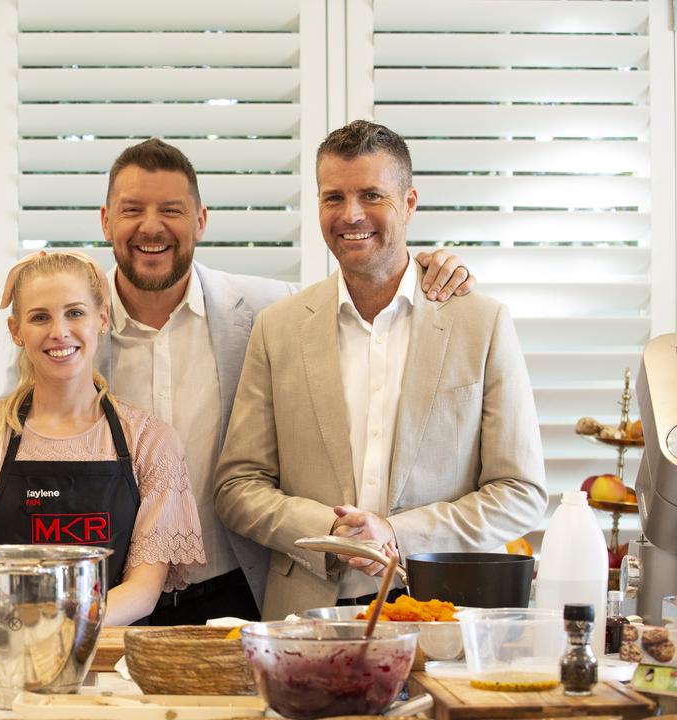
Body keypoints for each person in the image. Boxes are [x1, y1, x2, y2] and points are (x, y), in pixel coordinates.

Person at [97, 138, 477, 625]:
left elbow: (367, 280)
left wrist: (436, 267)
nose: (152, 226)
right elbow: (24, 415)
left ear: (200, 221)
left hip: (235, 589)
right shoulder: (72, 321)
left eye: (171, 209)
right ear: (107, 220)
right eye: (132, 210)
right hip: (111, 590)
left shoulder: (266, 311)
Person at [213, 120, 547, 620]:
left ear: (409, 203)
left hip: (446, 612)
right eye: (333, 198)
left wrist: (395, 534)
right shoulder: (277, 328)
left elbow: (520, 493)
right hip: (307, 615)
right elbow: (237, 487)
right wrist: (331, 529)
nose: (351, 215)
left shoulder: (482, 322)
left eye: (372, 195)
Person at [0, 251, 205, 636]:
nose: (59, 331)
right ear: (16, 330)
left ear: (102, 320)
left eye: (75, 313)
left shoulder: (150, 442)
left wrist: (50, 630)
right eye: (40, 317)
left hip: (111, 669)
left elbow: (141, 591)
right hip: (4, 664)